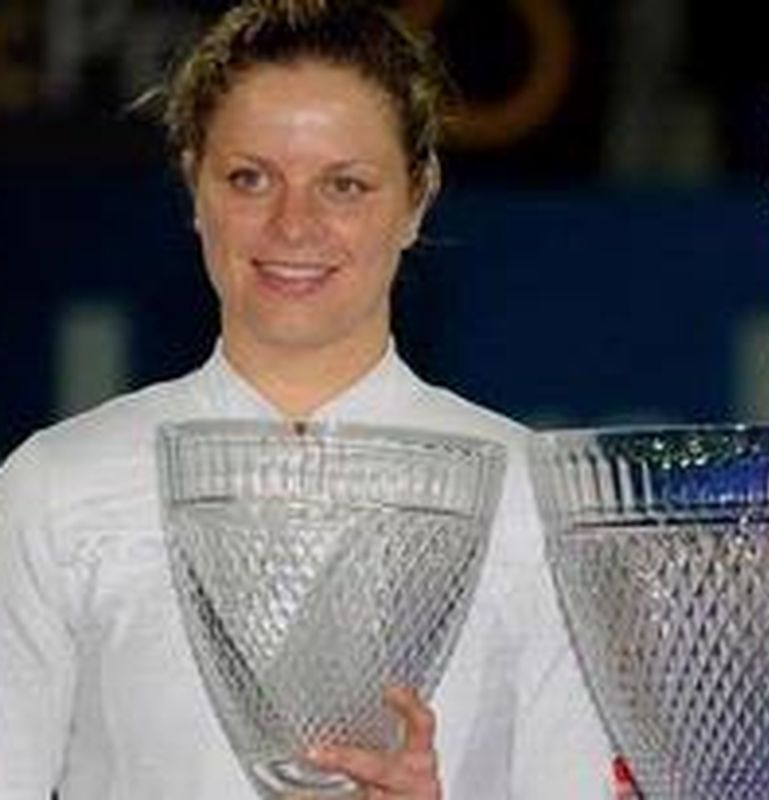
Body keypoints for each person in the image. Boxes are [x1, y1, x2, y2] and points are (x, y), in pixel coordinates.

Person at [0, 1, 612, 797]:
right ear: (193, 184)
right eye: (250, 178)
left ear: (418, 196)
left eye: (345, 185)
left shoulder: (535, 496)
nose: (294, 225)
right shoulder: (58, 484)